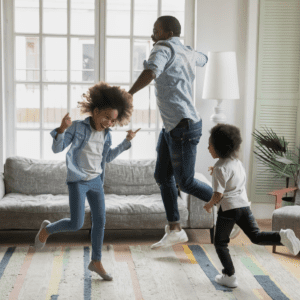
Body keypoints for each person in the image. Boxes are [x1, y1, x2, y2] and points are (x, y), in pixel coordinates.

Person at [34, 82, 139, 281]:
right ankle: (47, 229)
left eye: (112, 120)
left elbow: (106, 157)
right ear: (96, 111)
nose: (108, 122)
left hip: (96, 181)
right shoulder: (77, 128)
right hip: (78, 181)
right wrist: (62, 130)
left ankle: (96, 261)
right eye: (106, 117)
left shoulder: (107, 135)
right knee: (76, 223)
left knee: (100, 221)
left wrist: (127, 142)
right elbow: (57, 149)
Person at [128, 15, 213, 249]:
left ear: (167, 34)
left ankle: (230, 205)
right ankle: (175, 229)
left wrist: (129, 93)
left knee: (184, 182)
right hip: (174, 126)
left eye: (156, 30)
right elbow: (204, 59)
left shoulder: (162, 48)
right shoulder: (185, 51)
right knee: (162, 176)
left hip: (182, 126)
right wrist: (194, 54)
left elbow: (152, 71)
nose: (152, 35)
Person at [204, 123, 300, 288]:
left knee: (220, 243)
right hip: (244, 206)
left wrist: (209, 205)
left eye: (210, 145)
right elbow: (230, 175)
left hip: (228, 210)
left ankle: (229, 275)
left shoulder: (220, 168)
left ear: (219, 148)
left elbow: (218, 195)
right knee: (256, 236)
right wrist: (217, 169)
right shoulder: (236, 162)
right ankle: (281, 236)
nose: (208, 148)